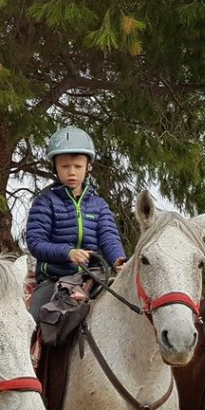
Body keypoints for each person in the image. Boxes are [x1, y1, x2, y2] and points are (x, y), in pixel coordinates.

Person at [25, 126, 126, 329]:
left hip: (93, 278)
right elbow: (35, 243)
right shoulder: (45, 202)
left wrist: (119, 260)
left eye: (78, 166)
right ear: (55, 167)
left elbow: (109, 237)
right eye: (65, 166)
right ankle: (31, 349)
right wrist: (68, 253)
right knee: (33, 323)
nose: (72, 172)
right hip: (54, 280)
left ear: (88, 167)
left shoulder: (99, 205)